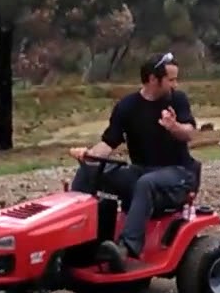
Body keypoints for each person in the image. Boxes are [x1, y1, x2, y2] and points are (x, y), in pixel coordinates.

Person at [69, 52, 199, 266]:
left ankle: (127, 247)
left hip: (179, 174)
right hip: (141, 170)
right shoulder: (127, 106)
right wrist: (88, 156)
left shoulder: (177, 100)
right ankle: (78, 237)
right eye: (171, 79)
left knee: (145, 183)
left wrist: (174, 127)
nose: (176, 84)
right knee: (89, 171)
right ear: (153, 79)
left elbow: (189, 133)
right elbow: (108, 143)